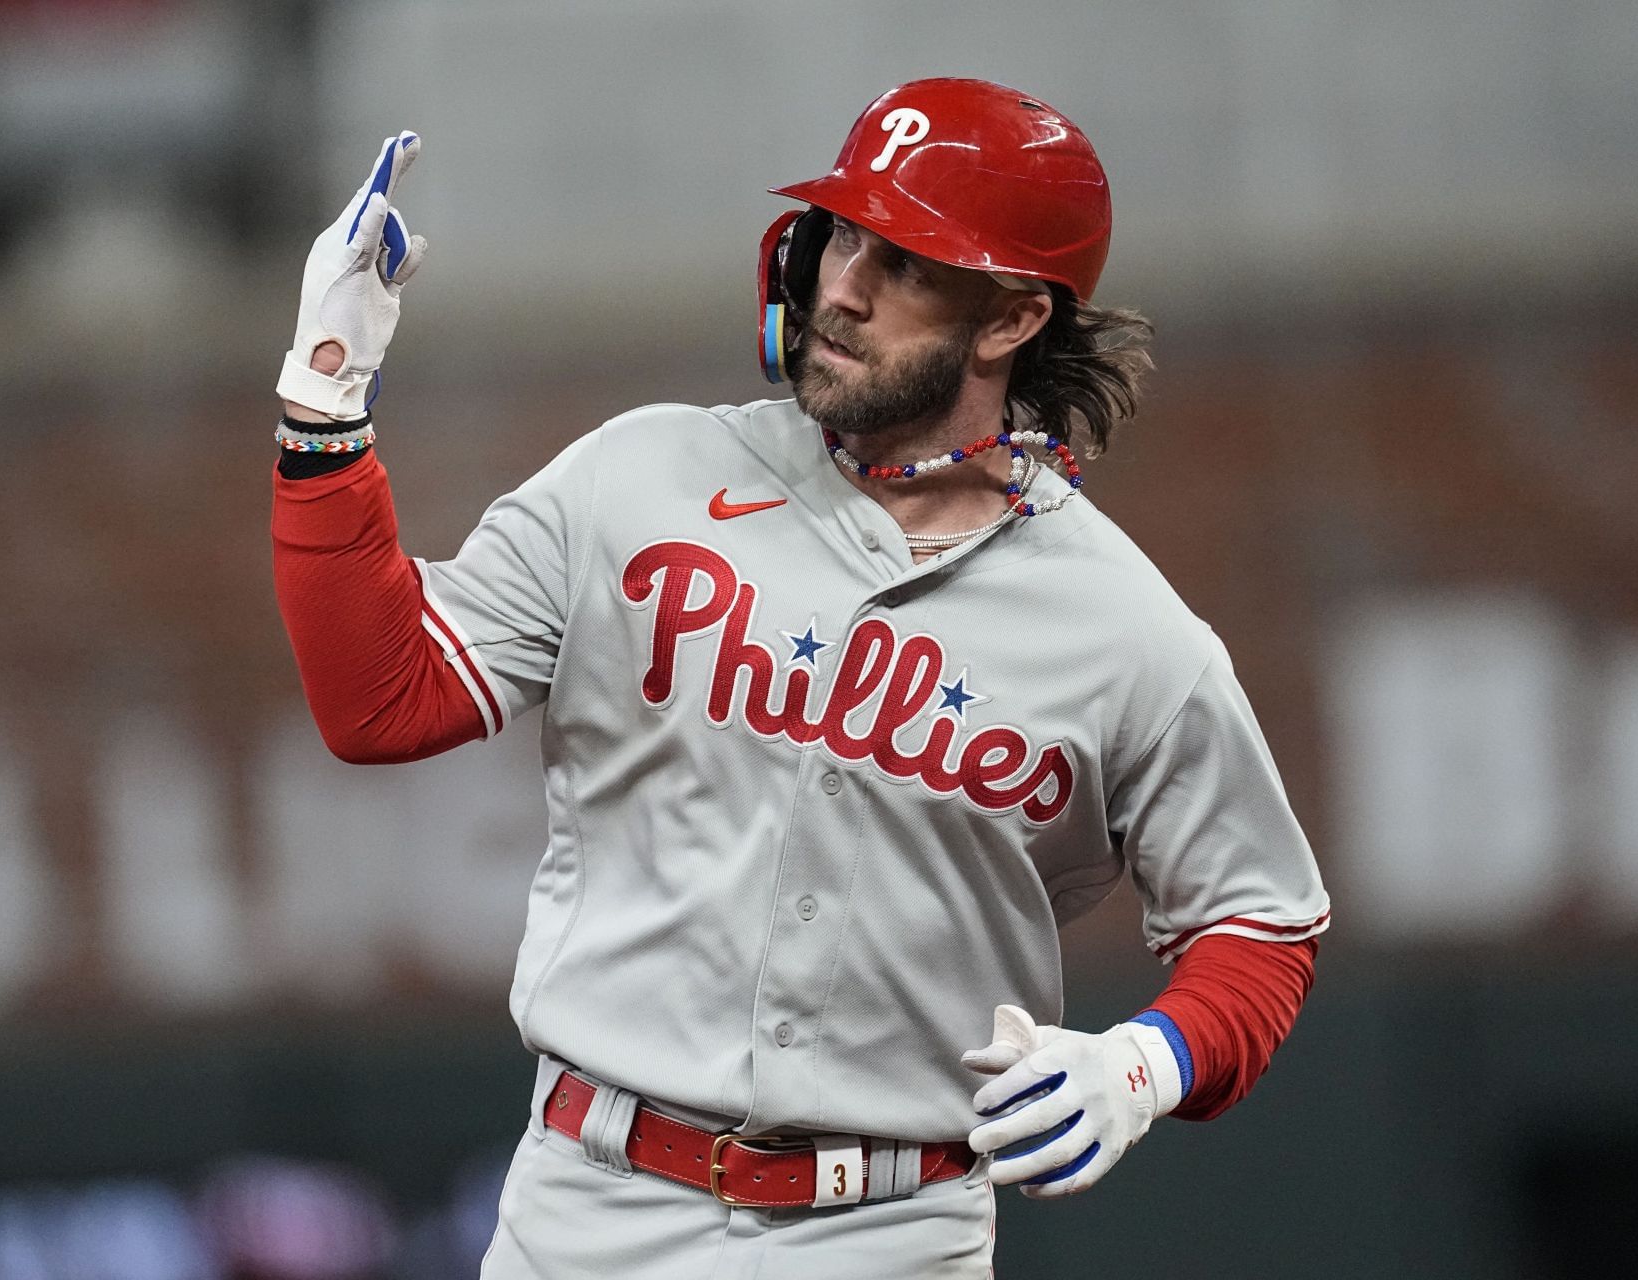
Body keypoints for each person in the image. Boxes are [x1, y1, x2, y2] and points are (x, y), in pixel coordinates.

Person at [271, 78, 1329, 1279]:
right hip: (586, 1212)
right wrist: (324, 399)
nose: (844, 285)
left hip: (894, 1232)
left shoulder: (1127, 627)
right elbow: (381, 698)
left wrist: (1146, 1063)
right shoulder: (642, 476)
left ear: (1011, 319)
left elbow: (1260, 918)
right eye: (844, 235)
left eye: (912, 264)